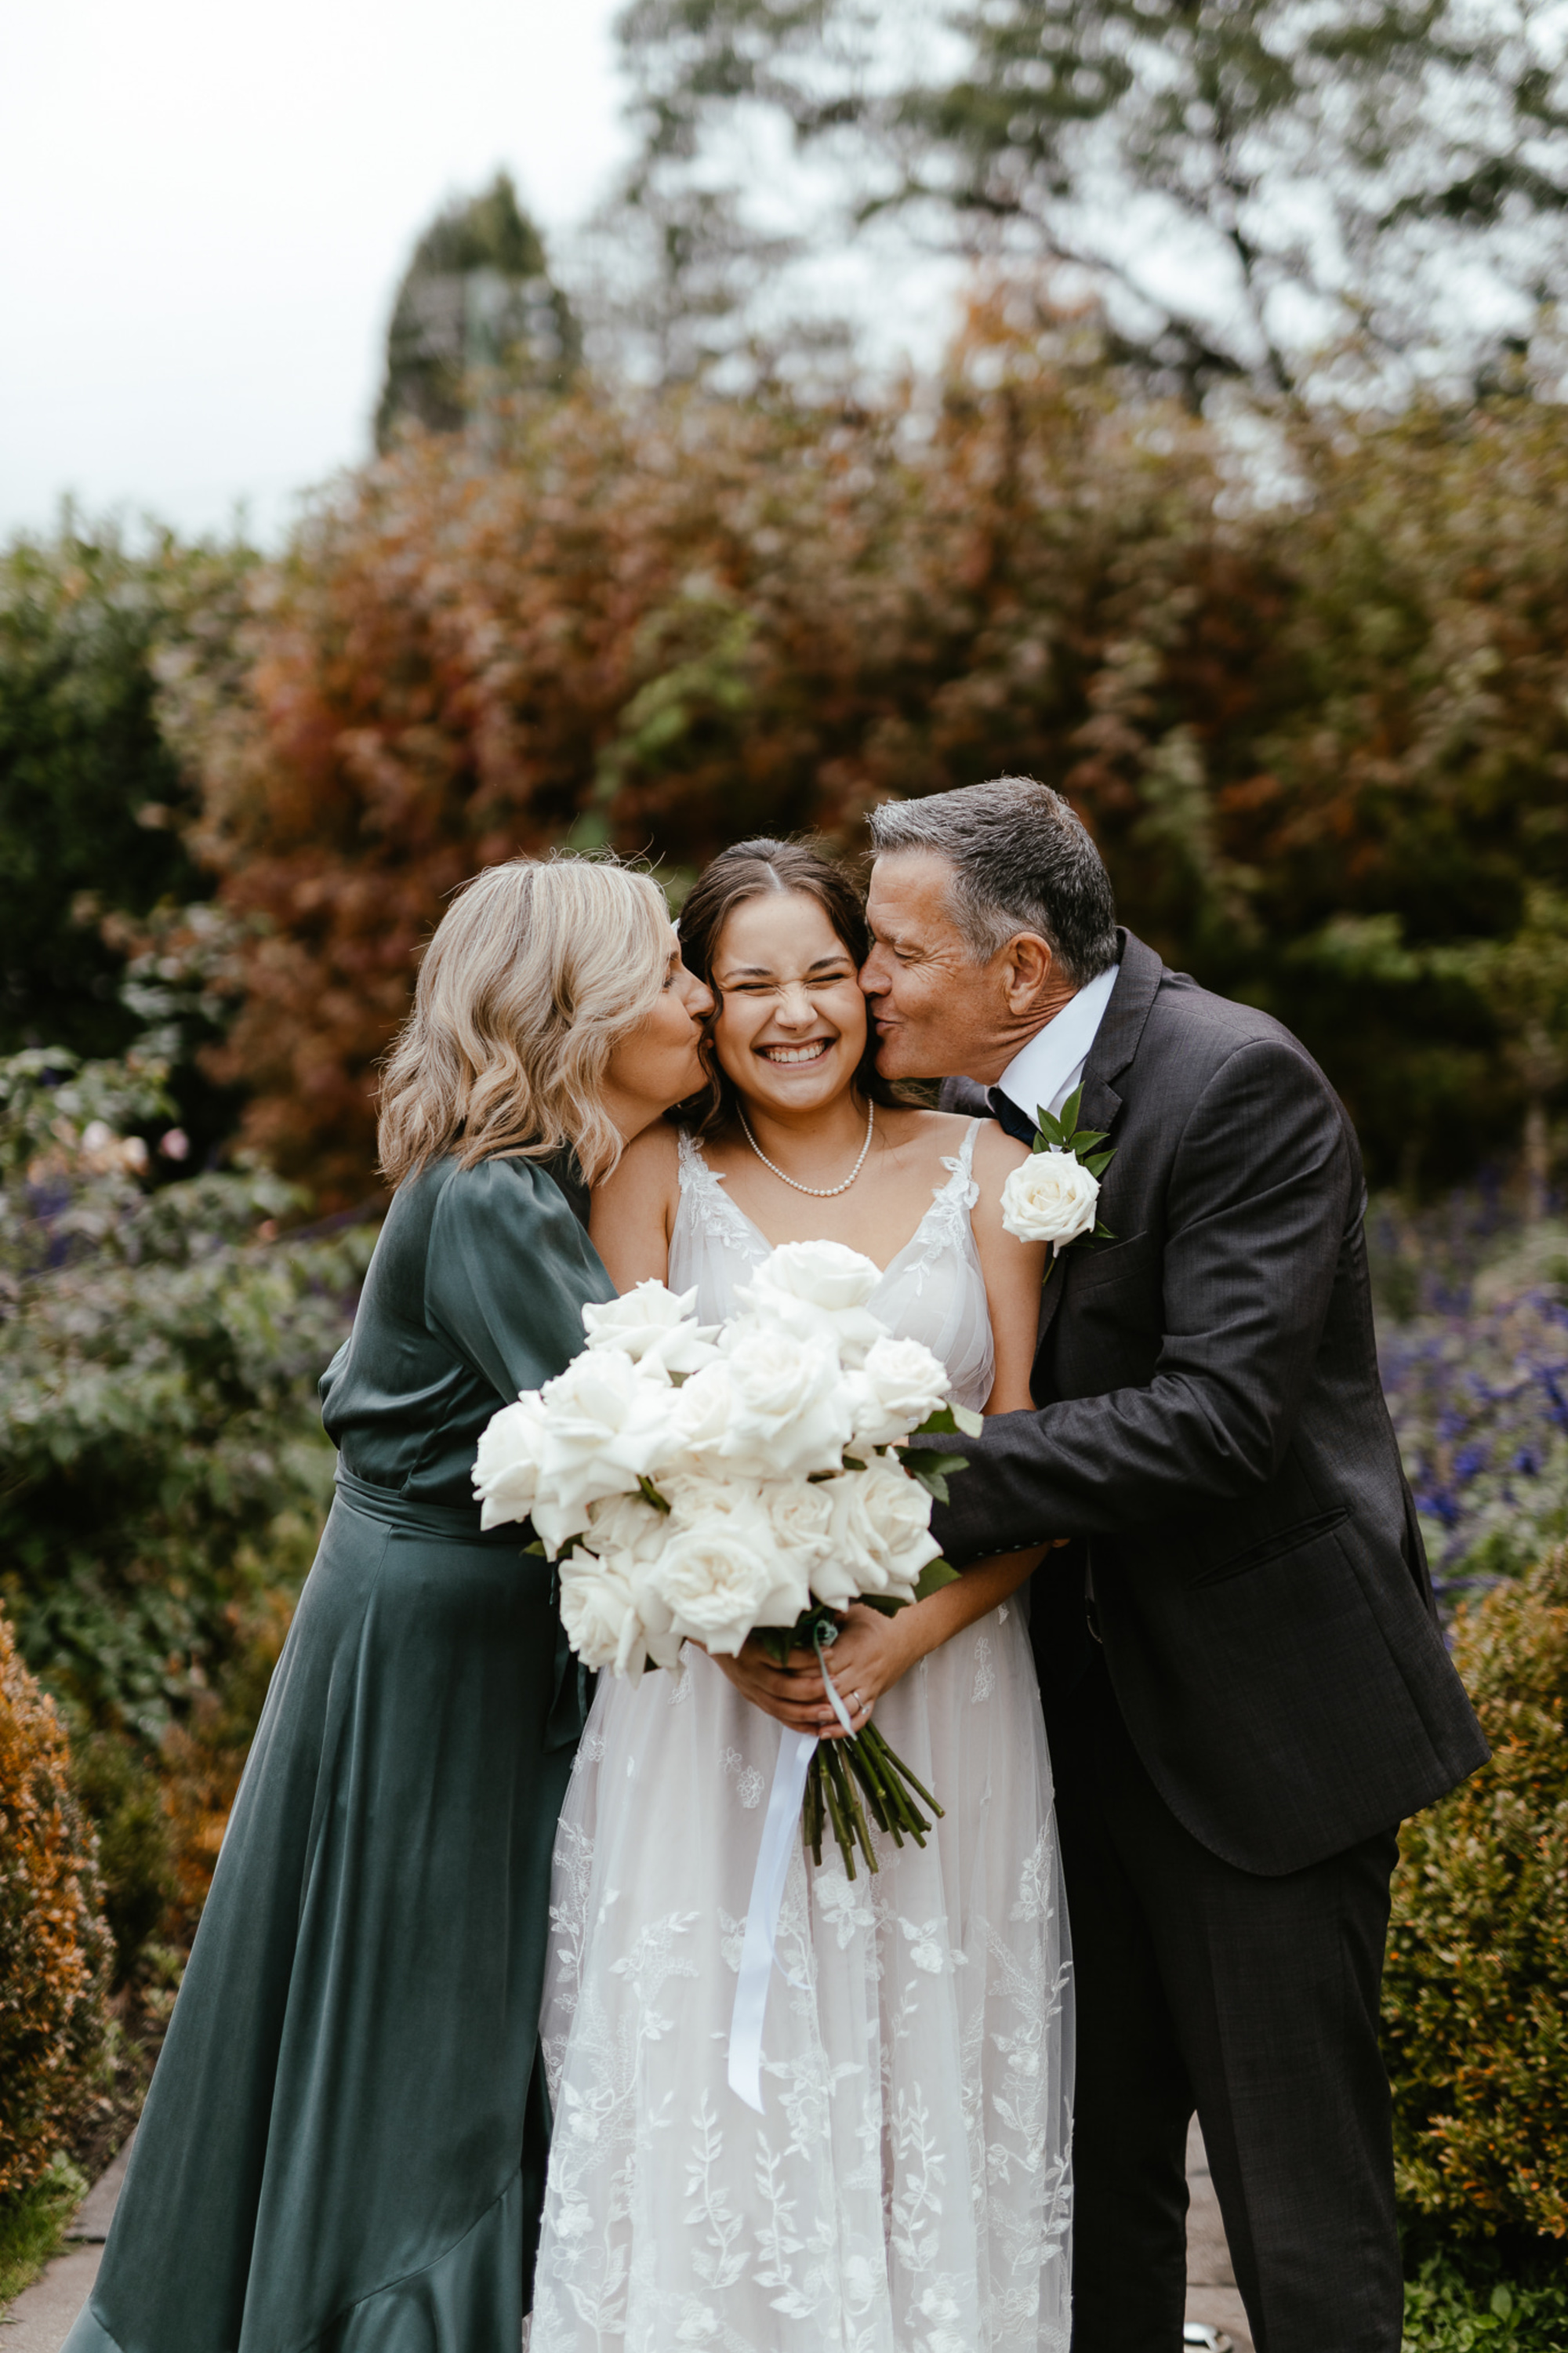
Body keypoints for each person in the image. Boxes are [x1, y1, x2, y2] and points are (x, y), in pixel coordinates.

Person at [860, 777, 1490, 2353]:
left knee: (1297, 2205)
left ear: (1019, 972)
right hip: (1056, 1727)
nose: (864, 981)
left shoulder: (1236, 1085)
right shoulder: (947, 1124)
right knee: (1082, 2185)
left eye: (890, 950)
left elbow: (1216, 1423)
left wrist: (877, 1488)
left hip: (1259, 1723)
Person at [64, 855, 713, 2353]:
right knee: (425, 2007)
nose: (697, 999)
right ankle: (391, 2306)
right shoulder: (492, 1200)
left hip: (443, 1629)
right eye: (670, 971)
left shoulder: (531, 1179)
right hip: (430, 1655)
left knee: (444, 1987)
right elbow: (639, 1455)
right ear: (581, 1005)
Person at [528, 838, 1073, 2353]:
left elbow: (1039, 1470)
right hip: (708, 1721)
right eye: (751, 981)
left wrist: (904, 1637)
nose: (794, 1013)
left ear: (871, 982)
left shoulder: (997, 1174)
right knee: (716, 2073)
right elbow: (608, 1450)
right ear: (703, 999)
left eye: (826, 973)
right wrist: (734, 1628)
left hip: (947, 1693)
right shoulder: (651, 1176)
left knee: (925, 2061)